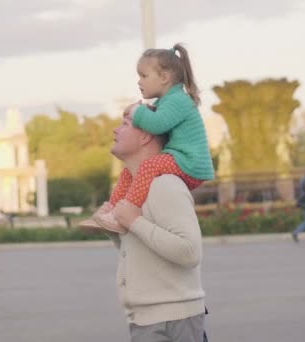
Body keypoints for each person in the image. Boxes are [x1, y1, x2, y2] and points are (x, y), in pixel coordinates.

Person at [93, 104, 207, 342]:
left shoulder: (165, 184)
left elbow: (190, 251)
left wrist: (133, 221)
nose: (115, 130)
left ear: (146, 135)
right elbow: (145, 252)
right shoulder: (137, 187)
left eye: (124, 124)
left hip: (171, 321)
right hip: (149, 318)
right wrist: (114, 229)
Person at [92, 43, 214, 232]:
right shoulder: (166, 101)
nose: (139, 82)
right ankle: (112, 210)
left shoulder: (178, 100)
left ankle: (127, 212)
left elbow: (157, 124)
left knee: (149, 165)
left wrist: (136, 110)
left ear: (164, 77)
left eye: (144, 76)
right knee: (128, 171)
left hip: (189, 162)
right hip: (179, 158)